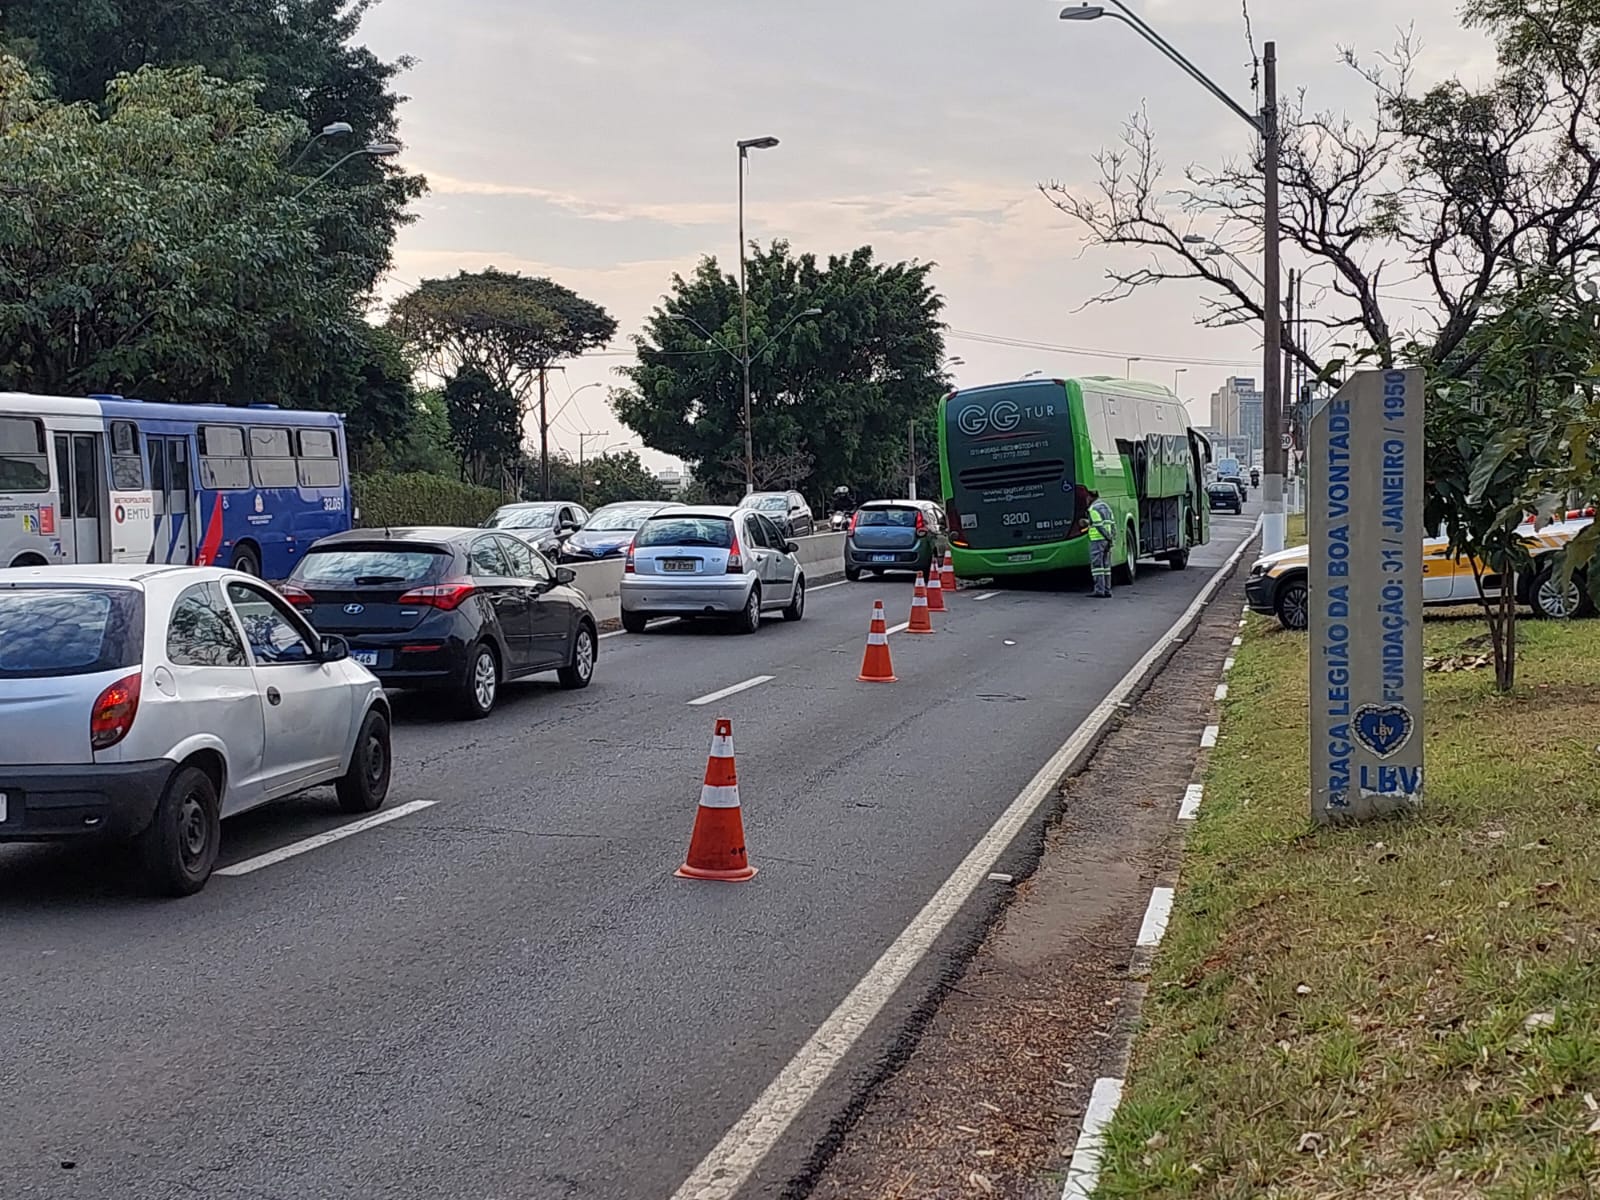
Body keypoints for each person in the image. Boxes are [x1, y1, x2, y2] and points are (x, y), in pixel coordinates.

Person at [1086, 489, 1116, 598]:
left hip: (1097, 540)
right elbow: (1112, 524)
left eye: (1087, 498)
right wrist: (1111, 538)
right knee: (1106, 566)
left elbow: (1098, 525)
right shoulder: (1107, 507)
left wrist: (1107, 537)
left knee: (1097, 567)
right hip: (1106, 541)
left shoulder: (1093, 509)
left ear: (1090, 497)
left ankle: (1099, 590)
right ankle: (1108, 590)